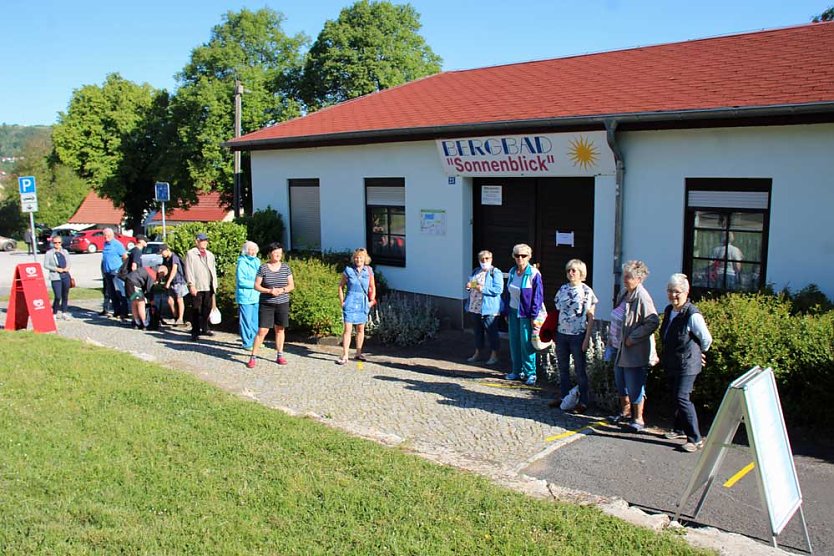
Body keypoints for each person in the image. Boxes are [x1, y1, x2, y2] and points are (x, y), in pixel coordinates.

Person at [660, 273, 713, 453]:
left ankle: (695, 439)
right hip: (673, 361)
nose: (673, 295)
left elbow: (706, 339)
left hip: (687, 364)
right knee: (676, 395)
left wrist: (699, 353)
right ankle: (679, 429)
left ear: (686, 292)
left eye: (677, 292)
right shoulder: (669, 310)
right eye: (670, 291)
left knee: (682, 397)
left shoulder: (692, 314)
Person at [610, 260, 660, 432]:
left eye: (629, 276)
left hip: (633, 349)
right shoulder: (625, 293)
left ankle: (638, 419)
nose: (625, 279)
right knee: (620, 381)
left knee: (634, 383)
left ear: (639, 279)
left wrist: (633, 337)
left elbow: (653, 321)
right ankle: (625, 412)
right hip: (619, 347)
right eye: (624, 275)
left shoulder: (642, 296)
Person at [551, 259, 598, 414]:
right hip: (562, 334)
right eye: (569, 270)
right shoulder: (562, 289)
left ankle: (583, 401)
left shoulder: (586, 291)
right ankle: (565, 398)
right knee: (562, 369)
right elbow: (557, 309)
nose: (571, 273)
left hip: (578, 335)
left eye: (574, 271)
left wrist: (586, 339)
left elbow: (591, 317)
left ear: (581, 273)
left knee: (580, 370)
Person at [500, 243, 544, 386]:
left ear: (529, 257)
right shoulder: (512, 272)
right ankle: (516, 371)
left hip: (526, 313)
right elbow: (507, 293)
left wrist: (533, 316)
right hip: (513, 311)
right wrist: (506, 311)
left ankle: (530, 373)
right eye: (517, 255)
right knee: (514, 342)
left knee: (526, 344)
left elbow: (538, 297)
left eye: (523, 256)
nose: (520, 258)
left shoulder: (533, 273)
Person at [247, 242, 294, 368]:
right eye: (275, 252)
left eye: (280, 252)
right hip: (267, 303)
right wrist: (269, 291)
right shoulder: (263, 268)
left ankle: (280, 354)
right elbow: (256, 285)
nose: (278, 254)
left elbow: (291, 285)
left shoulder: (286, 267)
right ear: (269, 254)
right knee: (263, 330)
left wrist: (282, 290)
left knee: (280, 329)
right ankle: (253, 356)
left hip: (282, 302)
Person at [336, 248, 377, 364]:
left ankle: (358, 353)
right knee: (348, 329)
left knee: (360, 329)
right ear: (354, 259)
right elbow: (340, 286)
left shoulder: (368, 271)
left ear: (365, 259)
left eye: (360, 257)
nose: (358, 259)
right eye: (356, 257)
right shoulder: (348, 270)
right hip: (350, 300)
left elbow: (372, 286)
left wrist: (371, 300)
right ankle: (345, 355)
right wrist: (342, 301)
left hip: (363, 302)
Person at [464, 250, 504, 366]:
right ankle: (477, 353)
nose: (484, 261)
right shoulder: (477, 271)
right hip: (475, 307)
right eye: (482, 259)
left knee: (492, 332)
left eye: (487, 258)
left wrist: (482, 289)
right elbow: (472, 284)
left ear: (491, 259)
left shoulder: (495, 272)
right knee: (477, 332)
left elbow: (498, 290)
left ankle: (494, 355)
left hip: (489, 309)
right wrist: (469, 286)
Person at [185, 232, 218, 342]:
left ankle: (205, 327)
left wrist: (215, 285)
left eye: (206, 241)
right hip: (198, 285)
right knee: (196, 309)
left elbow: (213, 270)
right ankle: (195, 331)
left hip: (209, 286)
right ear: (197, 242)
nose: (204, 243)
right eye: (202, 241)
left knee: (207, 309)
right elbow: (189, 270)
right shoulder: (191, 253)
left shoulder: (210, 254)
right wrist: (191, 285)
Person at [236, 241, 261, 350]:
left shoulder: (257, 261)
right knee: (246, 320)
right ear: (245, 251)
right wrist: (256, 285)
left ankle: (256, 340)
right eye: (250, 249)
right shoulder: (242, 262)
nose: (252, 252)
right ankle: (247, 342)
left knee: (255, 320)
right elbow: (241, 281)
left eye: (254, 249)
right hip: (245, 296)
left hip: (256, 295)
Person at [100, 228, 128, 319]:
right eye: (105, 235)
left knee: (119, 292)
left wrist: (122, 270)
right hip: (107, 272)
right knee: (112, 293)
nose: (106, 237)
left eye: (108, 235)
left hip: (116, 271)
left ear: (112, 235)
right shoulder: (105, 244)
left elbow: (125, 257)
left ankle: (124, 312)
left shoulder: (117, 244)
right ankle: (117, 311)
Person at [43, 235, 72, 320]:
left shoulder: (65, 251)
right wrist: (56, 269)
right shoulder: (49, 253)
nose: (57, 244)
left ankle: (64, 312)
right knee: (58, 296)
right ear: (52, 243)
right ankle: (54, 313)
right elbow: (46, 265)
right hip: (55, 277)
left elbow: (68, 262)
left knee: (65, 295)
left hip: (65, 275)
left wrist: (67, 268)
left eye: (59, 242)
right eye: (55, 242)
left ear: (61, 243)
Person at [125, 265, 159, 329]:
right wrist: (152, 302)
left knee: (134, 302)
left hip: (129, 281)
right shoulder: (153, 274)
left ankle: (137, 322)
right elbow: (149, 290)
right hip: (134, 283)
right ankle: (145, 323)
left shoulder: (150, 269)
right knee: (141, 303)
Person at [160, 244, 187, 325]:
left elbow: (174, 270)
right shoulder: (165, 259)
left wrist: (168, 282)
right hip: (171, 282)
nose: (162, 254)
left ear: (167, 250)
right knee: (170, 300)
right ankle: (175, 317)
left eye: (162, 252)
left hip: (179, 281)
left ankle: (180, 318)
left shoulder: (174, 257)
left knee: (179, 299)